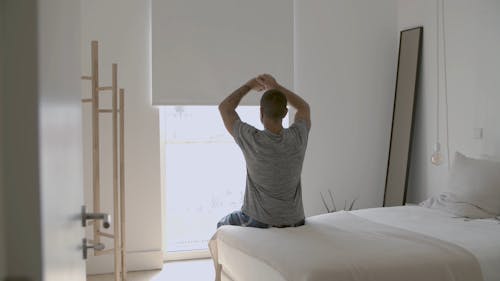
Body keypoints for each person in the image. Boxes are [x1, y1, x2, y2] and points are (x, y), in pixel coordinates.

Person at [217, 74, 311, 229]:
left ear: (261, 112)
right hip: (295, 220)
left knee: (222, 225)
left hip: (259, 220)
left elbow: (225, 107)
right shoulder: (298, 137)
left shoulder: (252, 139)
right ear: (285, 113)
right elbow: (304, 107)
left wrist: (249, 85)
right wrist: (277, 87)